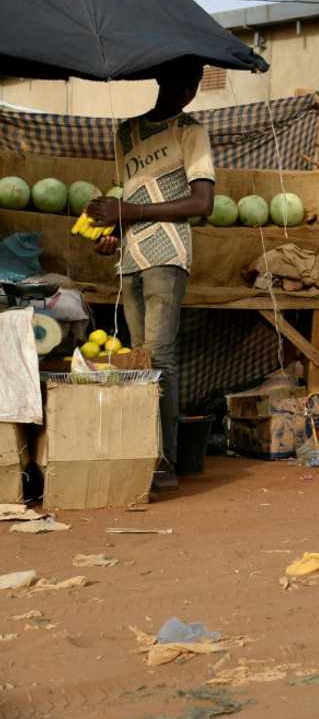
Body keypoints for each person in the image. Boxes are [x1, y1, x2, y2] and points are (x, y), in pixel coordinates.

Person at [87, 58, 215, 491]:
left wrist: (131, 212)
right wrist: (113, 232)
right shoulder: (126, 133)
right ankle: (141, 452)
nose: (189, 90)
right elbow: (131, 195)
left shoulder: (191, 131)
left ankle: (165, 462)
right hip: (131, 259)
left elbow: (202, 203)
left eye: (195, 82)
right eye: (184, 81)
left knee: (159, 359)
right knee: (138, 361)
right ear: (162, 80)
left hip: (168, 255)